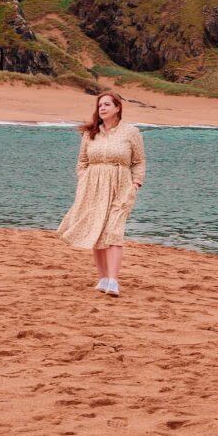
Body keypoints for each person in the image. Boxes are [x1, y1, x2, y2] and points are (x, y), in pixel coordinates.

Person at [56, 91, 146, 298]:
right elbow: (82, 162)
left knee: (114, 231)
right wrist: (84, 180)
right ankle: (103, 278)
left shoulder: (131, 132)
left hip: (121, 185)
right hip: (92, 186)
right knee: (96, 230)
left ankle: (113, 281)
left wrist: (136, 183)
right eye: (100, 106)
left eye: (107, 105)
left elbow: (139, 161)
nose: (102, 108)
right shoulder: (91, 133)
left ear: (117, 108)